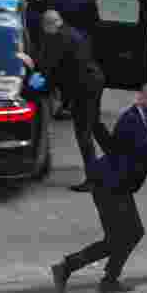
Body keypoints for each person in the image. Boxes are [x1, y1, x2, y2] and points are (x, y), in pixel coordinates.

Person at [52, 85, 147, 293]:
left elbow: (141, 155)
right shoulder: (131, 120)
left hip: (116, 186)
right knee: (124, 236)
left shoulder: (140, 119)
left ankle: (99, 277)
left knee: (126, 235)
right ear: (141, 98)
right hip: (108, 186)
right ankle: (83, 272)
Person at [40, 10, 113, 192]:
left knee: (83, 133)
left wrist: (39, 86)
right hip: (94, 81)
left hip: (84, 89)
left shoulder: (59, 39)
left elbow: (51, 67)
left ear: (49, 25)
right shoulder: (71, 32)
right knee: (94, 124)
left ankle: (93, 179)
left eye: (44, 27)